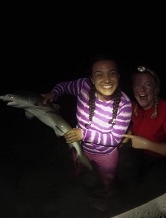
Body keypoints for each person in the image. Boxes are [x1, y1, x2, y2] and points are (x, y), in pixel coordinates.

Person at [43, 55, 132, 197]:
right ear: (92, 79)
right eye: (99, 74)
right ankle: (75, 191)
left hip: (107, 155)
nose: (107, 79)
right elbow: (63, 86)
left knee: (108, 180)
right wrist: (53, 94)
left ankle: (108, 198)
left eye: (112, 73)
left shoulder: (125, 104)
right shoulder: (83, 86)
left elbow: (114, 139)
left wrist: (83, 134)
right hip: (80, 147)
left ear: (119, 76)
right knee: (77, 171)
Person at [121, 65, 166, 182]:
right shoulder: (132, 106)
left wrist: (146, 144)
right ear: (133, 89)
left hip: (164, 157)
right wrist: (130, 132)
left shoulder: (165, 109)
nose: (142, 90)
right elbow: (135, 124)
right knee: (140, 177)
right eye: (137, 85)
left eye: (148, 85)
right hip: (145, 154)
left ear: (156, 89)